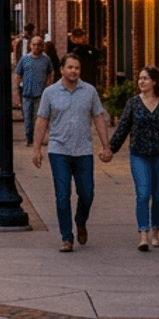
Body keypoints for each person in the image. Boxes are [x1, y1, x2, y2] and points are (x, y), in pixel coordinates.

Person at [32, 53, 112, 252]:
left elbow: (99, 119)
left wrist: (106, 146)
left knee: (87, 194)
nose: (74, 71)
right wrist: (36, 149)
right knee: (62, 195)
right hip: (59, 150)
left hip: (83, 150)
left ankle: (80, 220)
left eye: (77, 68)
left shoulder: (89, 91)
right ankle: (66, 237)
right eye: (70, 67)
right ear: (61, 70)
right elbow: (42, 121)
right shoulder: (49, 93)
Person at [109, 65, 159, 251]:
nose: (141, 81)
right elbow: (122, 128)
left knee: (158, 196)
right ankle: (143, 235)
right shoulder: (133, 103)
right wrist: (110, 149)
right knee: (143, 194)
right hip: (139, 154)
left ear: (155, 82)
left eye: (145, 78)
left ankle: (156, 234)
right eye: (140, 78)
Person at [15, 36, 55, 146]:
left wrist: (49, 85)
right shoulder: (24, 59)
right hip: (26, 94)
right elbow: (18, 74)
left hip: (41, 95)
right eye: (34, 44)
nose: (36, 47)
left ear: (42, 46)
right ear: (30, 46)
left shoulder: (46, 59)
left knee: (39, 119)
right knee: (28, 119)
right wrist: (16, 91)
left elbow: (51, 73)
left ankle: (38, 139)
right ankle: (29, 139)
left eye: (39, 45)